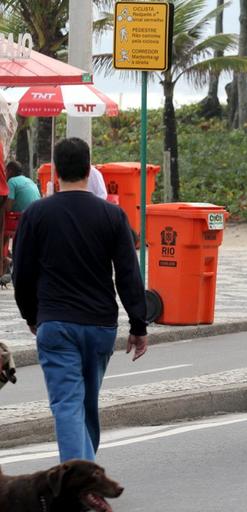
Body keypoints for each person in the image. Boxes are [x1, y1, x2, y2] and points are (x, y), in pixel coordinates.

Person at [12, 137, 148, 462]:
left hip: (56, 324)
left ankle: (82, 483)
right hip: (100, 326)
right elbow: (128, 275)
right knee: (85, 403)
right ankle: (86, 475)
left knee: (68, 405)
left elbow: (23, 274)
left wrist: (32, 315)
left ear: (55, 171)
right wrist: (138, 324)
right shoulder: (113, 217)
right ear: (89, 169)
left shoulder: (36, 215)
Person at [2, 161, 41, 274]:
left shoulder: (12, 182)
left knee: (2, 230)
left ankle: (4, 260)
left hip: (21, 218)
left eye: (6, 171)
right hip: (35, 216)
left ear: (9, 171)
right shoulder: (29, 180)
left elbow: (8, 208)